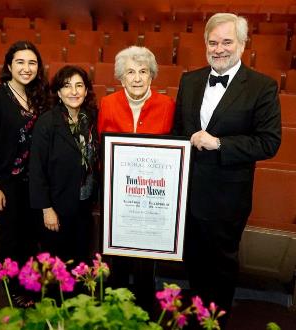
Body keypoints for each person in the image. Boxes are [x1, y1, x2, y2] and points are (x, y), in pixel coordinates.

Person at [172, 13, 281, 325]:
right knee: (193, 263)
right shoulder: (189, 80)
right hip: (188, 196)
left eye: (226, 41)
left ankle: (216, 322)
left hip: (227, 198)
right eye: (213, 42)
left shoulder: (262, 87)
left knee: (221, 269)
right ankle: (197, 319)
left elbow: (268, 142)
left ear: (242, 44)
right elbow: (179, 132)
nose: (218, 48)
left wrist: (220, 144)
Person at [97, 46, 175, 314]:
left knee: (146, 257)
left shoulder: (167, 106)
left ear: (152, 76)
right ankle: (114, 305)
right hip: (118, 194)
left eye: (143, 71)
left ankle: (144, 305)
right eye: (130, 72)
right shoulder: (108, 103)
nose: (137, 78)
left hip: (152, 195)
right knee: (116, 255)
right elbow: (100, 147)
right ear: (121, 77)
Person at [0, 40, 49, 307]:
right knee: (11, 236)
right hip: (5, 182)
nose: (26, 68)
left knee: (31, 237)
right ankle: (13, 289)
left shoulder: (40, 96)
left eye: (32, 62)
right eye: (20, 62)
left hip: (33, 182)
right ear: (9, 65)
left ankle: (30, 284)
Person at [29, 65, 98, 265]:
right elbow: (37, 169)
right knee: (57, 264)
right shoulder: (47, 122)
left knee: (81, 260)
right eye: (67, 86)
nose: (74, 92)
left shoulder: (91, 118)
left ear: (86, 91)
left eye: (79, 86)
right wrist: (46, 209)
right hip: (57, 205)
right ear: (58, 92)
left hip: (84, 204)